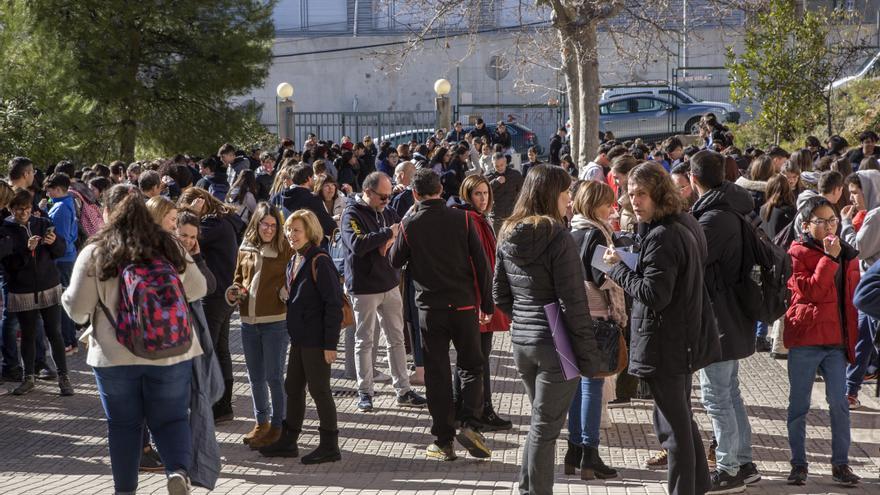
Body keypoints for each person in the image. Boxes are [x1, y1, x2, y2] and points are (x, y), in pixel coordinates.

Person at [62, 184, 208, 494]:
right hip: (170, 350)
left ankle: (125, 490)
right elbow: (198, 288)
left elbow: (77, 310)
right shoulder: (170, 246)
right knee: (171, 419)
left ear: (106, 213)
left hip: (115, 355)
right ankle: (178, 471)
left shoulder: (96, 251)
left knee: (124, 425)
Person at [605, 162, 720, 495]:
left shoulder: (664, 235)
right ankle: (698, 485)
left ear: (658, 194)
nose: (634, 201)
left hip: (668, 343)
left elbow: (655, 294)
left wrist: (618, 270)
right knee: (679, 420)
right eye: (630, 194)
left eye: (641, 194)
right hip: (680, 339)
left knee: (674, 428)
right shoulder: (683, 223)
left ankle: (685, 488)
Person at [493, 164, 602, 494]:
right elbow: (573, 303)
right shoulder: (558, 235)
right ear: (551, 194)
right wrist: (590, 358)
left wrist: (526, 317)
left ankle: (528, 489)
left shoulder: (508, 231)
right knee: (546, 427)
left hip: (524, 341)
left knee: (541, 424)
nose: (570, 199)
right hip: (557, 342)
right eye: (566, 192)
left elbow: (499, 294)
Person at [390, 169, 495, 462]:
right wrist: (487, 303)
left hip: (429, 308)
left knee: (437, 373)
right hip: (463, 305)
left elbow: (394, 260)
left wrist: (403, 227)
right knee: (472, 365)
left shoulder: (411, 223)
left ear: (414, 194)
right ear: (440, 190)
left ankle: (443, 439)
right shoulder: (462, 218)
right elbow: (483, 265)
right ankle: (471, 423)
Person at [689, 150, 761, 492]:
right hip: (735, 314)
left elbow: (692, 264)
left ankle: (730, 468)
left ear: (693, 179)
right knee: (729, 393)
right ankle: (743, 462)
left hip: (718, 317)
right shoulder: (734, 209)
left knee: (716, 396)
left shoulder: (712, 218)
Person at [784, 197, 860, 486]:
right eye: (822, 221)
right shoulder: (796, 253)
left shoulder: (848, 253)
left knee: (839, 404)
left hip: (836, 343)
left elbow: (850, 301)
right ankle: (799, 464)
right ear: (805, 225)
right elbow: (811, 292)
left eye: (833, 220)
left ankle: (841, 464)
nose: (830, 226)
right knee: (798, 406)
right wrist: (828, 259)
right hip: (806, 339)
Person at [259, 209, 343, 464]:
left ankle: (330, 445)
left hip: (317, 339)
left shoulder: (320, 260)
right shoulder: (295, 259)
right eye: (289, 230)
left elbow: (333, 304)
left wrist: (330, 344)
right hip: (300, 338)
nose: (290, 234)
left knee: (319, 390)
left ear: (310, 231)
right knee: (293, 387)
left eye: (296, 230)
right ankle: (289, 440)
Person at [340, 172, 426, 412]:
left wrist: (389, 237)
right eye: (383, 196)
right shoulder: (351, 214)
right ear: (367, 192)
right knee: (365, 340)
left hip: (389, 284)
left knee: (396, 339)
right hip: (364, 287)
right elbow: (358, 245)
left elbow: (400, 236)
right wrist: (388, 234)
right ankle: (365, 391)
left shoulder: (388, 212)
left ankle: (404, 389)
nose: (388, 201)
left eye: (389, 196)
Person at [223, 202, 294, 450]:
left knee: (274, 376)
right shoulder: (246, 247)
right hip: (247, 322)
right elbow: (238, 280)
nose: (269, 229)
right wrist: (233, 293)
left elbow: (293, 275)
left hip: (275, 321)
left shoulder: (285, 247)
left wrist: (287, 290)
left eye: (274, 225)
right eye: (265, 224)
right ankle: (261, 422)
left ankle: (278, 425)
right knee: (255, 378)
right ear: (257, 223)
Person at [566, 180, 623, 480]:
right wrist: (620, 262)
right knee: (593, 385)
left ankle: (573, 450)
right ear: (593, 204)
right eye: (606, 203)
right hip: (596, 316)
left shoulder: (571, 230)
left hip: (571, 316)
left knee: (576, 385)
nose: (611, 209)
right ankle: (590, 453)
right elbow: (602, 278)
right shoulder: (596, 233)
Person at [448, 175, 513, 431]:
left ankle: (470, 408)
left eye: (486, 193)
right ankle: (477, 410)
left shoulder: (478, 219)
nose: (483, 198)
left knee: (476, 357)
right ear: (467, 195)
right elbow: (477, 265)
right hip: (476, 298)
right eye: (477, 194)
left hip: (482, 296)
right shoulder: (469, 220)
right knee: (476, 358)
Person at [178, 187, 245, 424]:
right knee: (221, 349)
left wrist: (192, 215)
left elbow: (188, 239)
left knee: (209, 349)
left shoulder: (210, 225)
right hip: (226, 293)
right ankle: (224, 405)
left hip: (215, 295)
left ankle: (214, 404)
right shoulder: (225, 220)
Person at [2, 188, 73, 396]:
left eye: (25, 209)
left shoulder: (42, 223)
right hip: (22, 290)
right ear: (10, 209)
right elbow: (8, 265)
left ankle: (64, 377)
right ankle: (29, 377)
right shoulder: (5, 230)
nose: (22, 213)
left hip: (48, 286)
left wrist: (54, 243)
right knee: (28, 334)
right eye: (17, 209)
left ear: (31, 208)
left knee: (54, 333)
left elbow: (60, 250)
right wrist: (26, 249)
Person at [840, 169, 880, 409]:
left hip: (872, 285)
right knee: (864, 338)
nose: (852, 198)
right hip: (871, 282)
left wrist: (846, 224)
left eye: (856, 192)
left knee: (864, 338)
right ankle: (851, 388)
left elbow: (857, 248)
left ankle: (849, 390)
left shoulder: (875, 215)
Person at [44, 173, 79, 355]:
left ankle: (66, 342)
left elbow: (61, 238)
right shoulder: (68, 202)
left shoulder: (60, 208)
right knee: (66, 300)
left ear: (57, 189)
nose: (47, 194)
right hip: (67, 257)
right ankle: (70, 340)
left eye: (49, 190)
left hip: (62, 259)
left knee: (62, 301)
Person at [271, 163, 336, 238]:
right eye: (313, 177)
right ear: (308, 179)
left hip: (286, 242)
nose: (314, 179)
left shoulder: (279, 197)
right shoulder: (312, 199)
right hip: (307, 244)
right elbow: (329, 227)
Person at [486, 152, 524, 234]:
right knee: (497, 241)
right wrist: (496, 182)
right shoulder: (488, 176)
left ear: (506, 162)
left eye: (502, 165)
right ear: (493, 164)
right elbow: (485, 192)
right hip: (496, 215)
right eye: (496, 166)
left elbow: (522, 192)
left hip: (513, 215)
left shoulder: (515, 174)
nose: (500, 168)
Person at [760, 175, 797, 239]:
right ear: (787, 189)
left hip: (765, 247)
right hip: (780, 248)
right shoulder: (789, 211)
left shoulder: (763, 208)